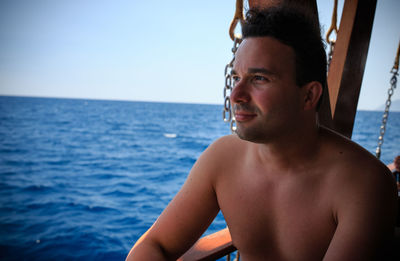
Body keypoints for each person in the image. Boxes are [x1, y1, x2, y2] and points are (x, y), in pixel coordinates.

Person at [126, 7, 398, 260]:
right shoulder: (221, 159)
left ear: (309, 95)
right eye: (236, 78)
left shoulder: (363, 184)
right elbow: (153, 245)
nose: (235, 95)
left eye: (259, 79)